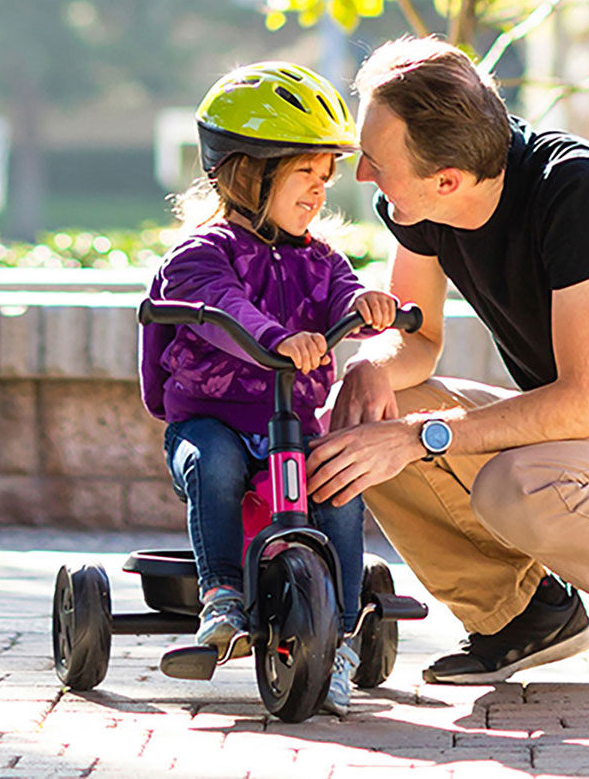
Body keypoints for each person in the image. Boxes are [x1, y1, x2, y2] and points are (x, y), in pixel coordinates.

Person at [306, 36, 589, 691]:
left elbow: (583, 403)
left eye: (376, 162)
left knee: (510, 482)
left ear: (447, 179)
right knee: (367, 418)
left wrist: (415, 438)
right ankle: (522, 614)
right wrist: (371, 366)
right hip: (580, 440)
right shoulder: (423, 202)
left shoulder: (578, 192)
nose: (362, 177)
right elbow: (420, 336)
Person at [139, 60, 398, 718]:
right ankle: (222, 597)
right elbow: (221, 306)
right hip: (213, 421)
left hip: (290, 427)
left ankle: (340, 636)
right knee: (216, 463)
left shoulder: (320, 259)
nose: (319, 189)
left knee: (338, 482)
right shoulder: (200, 254)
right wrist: (275, 337)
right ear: (248, 173)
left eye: (325, 176)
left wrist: (365, 304)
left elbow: (342, 292)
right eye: (304, 172)